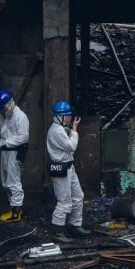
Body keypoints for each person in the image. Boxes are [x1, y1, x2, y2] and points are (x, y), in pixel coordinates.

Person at [47, 100, 91, 241]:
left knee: (78, 196)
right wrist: (75, 130)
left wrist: (70, 129)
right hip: (61, 168)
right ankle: (57, 230)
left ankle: (75, 224)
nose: (70, 118)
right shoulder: (56, 131)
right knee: (64, 200)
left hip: (69, 166)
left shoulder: (61, 128)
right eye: (67, 116)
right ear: (60, 116)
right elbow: (72, 146)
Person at [0, 88, 29, 223]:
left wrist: (6, 143)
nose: (3, 110)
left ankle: (17, 213)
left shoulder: (20, 116)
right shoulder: (5, 114)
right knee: (6, 182)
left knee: (13, 182)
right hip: (6, 151)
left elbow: (23, 137)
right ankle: (14, 207)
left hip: (14, 152)